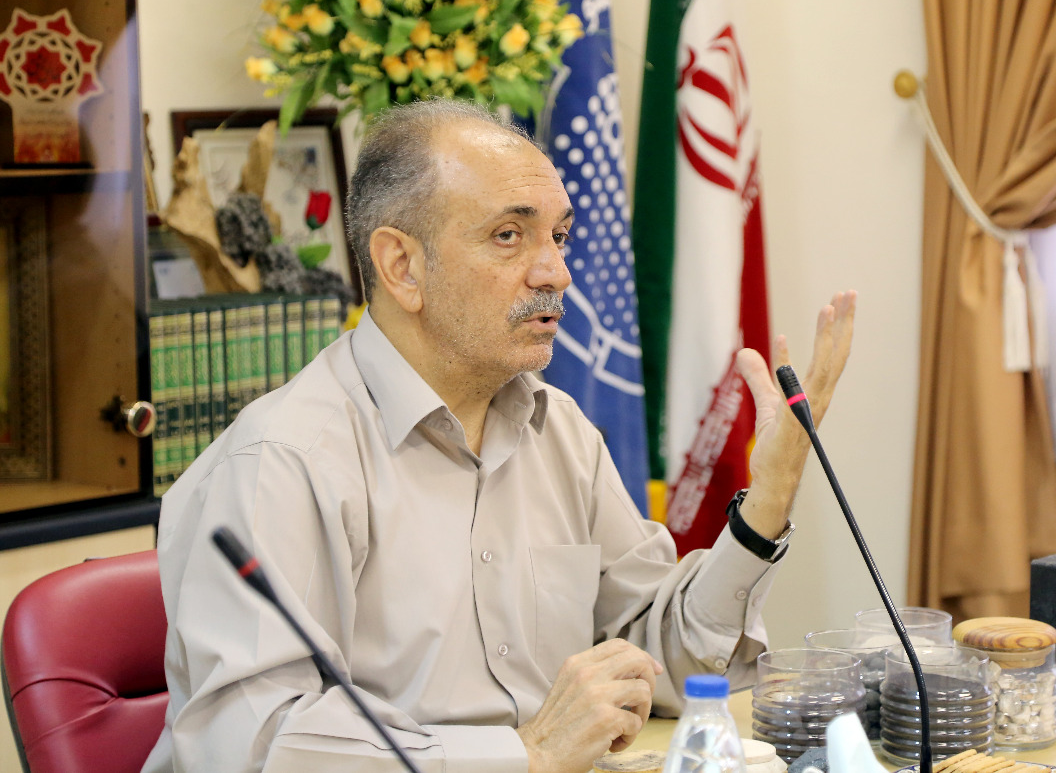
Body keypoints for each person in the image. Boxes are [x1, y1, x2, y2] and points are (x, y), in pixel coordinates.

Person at [141, 99, 856, 773]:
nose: (557, 273)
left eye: (559, 236)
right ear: (402, 267)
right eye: (509, 236)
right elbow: (253, 746)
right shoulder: (282, 460)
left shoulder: (560, 430)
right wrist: (527, 755)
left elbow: (662, 661)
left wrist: (769, 496)